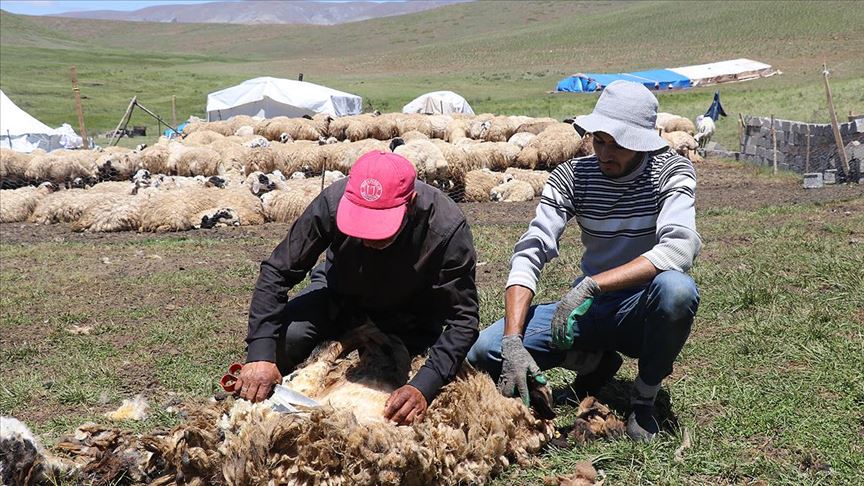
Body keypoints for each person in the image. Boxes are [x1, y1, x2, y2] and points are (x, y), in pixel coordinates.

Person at [467, 80, 702, 441]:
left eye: (618, 144)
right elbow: (531, 250)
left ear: (642, 142)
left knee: (677, 291)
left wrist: (593, 284)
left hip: (641, 307)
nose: (605, 153)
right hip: (588, 307)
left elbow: (678, 250)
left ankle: (644, 398)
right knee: (486, 350)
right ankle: (595, 361)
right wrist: (513, 339)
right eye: (599, 140)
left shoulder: (670, 172)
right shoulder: (572, 176)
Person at [235, 150, 479, 426]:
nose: (368, 238)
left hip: (410, 316)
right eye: (361, 224)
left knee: (425, 384)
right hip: (339, 297)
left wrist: (423, 386)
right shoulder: (333, 201)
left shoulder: (447, 228)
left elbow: (463, 319)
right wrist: (260, 354)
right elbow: (278, 270)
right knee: (287, 339)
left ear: (410, 203)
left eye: (380, 226)